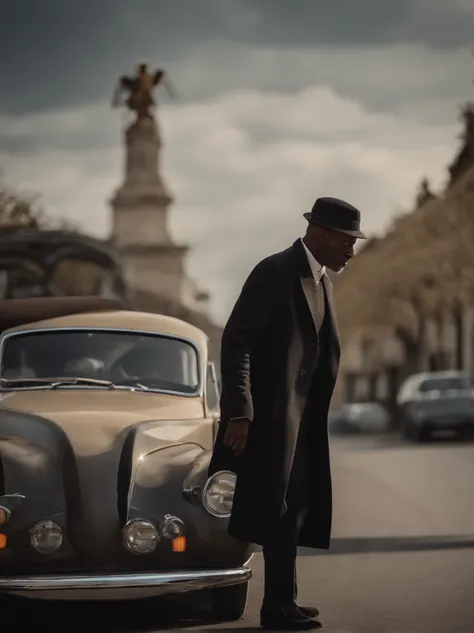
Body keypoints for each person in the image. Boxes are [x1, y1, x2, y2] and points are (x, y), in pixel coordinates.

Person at [209, 197, 366, 630]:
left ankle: (284, 599)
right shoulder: (274, 272)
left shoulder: (323, 282)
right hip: (271, 419)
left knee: (293, 507)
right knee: (274, 508)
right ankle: (275, 609)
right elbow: (235, 342)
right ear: (321, 235)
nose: (351, 251)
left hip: (303, 421)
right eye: (347, 241)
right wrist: (239, 413)